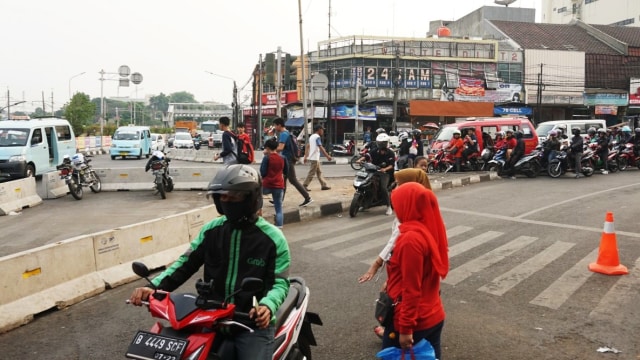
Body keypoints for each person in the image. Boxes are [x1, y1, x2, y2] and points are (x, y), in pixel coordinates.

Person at [129, 165, 291, 360]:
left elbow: (280, 283)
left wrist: (267, 305)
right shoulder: (211, 230)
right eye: (222, 197)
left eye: (233, 197)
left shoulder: (273, 239)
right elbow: (185, 263)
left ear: (251, 198)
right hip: (211, 316)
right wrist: (154, 286)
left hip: (251, 323)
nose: (226, 201)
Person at [382, 182, 448, 360]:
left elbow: (412, 289)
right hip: (433, 313)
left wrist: (405, 328)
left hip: (416, 321)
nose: (396, 211)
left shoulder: (410, 240)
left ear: (407, 206)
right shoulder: (429, 228)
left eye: (397, 206)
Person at [272, 117, 312, 207]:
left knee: (292, 180)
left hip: (287, 160)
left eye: (275, 125)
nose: (274, 127)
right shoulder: (287, 133)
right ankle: (279, 200)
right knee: (283, 180)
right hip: (287, 159)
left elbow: (281, 148)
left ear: (279, 125)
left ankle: (307, 197)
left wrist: (270, 150)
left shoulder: (283, 134)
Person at [358, 133, 395, 215]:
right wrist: (360, 160)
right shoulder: (374, 150)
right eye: (380, 143)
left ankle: (388, 206)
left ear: (386, 143)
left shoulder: (390, 153)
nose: (381, 144)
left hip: (386, 173)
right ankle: (365, 204)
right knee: (367, 184)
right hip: (374, 172)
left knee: (383, 188)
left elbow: (391, 165)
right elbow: (367, 156)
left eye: (383, 143)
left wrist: (384, 169)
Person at [261, 139, 287, 228]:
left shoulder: (266, 158)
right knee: (278, 208)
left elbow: (263, 172)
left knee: (258, 200)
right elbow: (286, 171)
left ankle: (259, 220)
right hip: (279, 185)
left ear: (267, 148)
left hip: (267, 185)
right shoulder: (283, 158)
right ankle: (279, 225)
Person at [303, 125, 332, 191]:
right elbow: (320, 147)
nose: (323, 131)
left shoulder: (311, 137)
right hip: (315, 157)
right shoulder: (317, 137)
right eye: (322, 130)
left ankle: (323, 185)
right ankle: (304, 185)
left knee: (319, 172)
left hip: (314, 157)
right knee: (312, 173)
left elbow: (307, 146)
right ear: (319, 129)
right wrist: (327, 156)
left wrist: (305, 156)